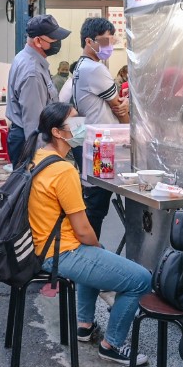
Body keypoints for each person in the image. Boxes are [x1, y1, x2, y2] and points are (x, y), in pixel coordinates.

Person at [26, 103, 152, 366]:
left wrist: (97, 252)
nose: (82, 126)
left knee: (97, 254)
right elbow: (84, 232)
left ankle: (84, 325)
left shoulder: (38, 157)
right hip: (60, 252)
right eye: (74, 122)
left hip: (44, 246)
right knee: (140, 279)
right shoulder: (63, 171)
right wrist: (98, 252)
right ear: (58, 132)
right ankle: (112, 345)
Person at [71, 17, 129, 239]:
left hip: (89, 141)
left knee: (94, 201)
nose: (110, 46)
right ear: (89, 41)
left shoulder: (80, 67)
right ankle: (90, 252)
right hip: (101, 145)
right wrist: (127, 109)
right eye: (105, 41)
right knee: (97, 204)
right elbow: (118, 108)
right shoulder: (95, 69)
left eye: (112, 41)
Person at [5, 14, 70, 166]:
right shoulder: (32, 72)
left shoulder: (26, 58)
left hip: (24, 137)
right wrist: (42, 159)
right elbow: (34, 122)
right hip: (29, 142)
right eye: (53, 39)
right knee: (31, 188)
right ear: (38, 41)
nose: (58, 43)